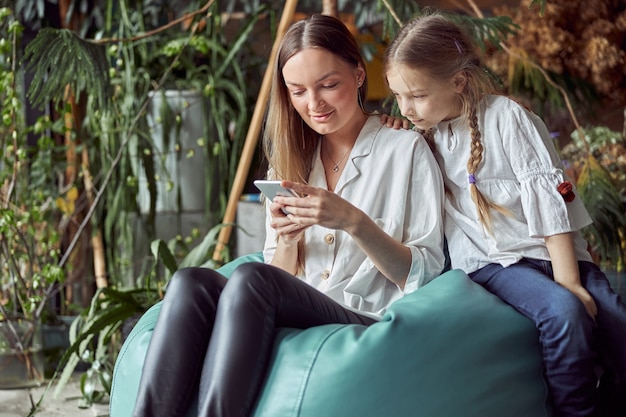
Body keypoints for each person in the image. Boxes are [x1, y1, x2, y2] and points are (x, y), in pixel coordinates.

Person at [131, 14, 445, 417]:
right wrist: (288, 239)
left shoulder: (404, 150)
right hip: (299, 301)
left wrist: (352, 221)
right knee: (190, 281)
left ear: (358, 74)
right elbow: (275, 275)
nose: (314, 105)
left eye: (329, 85)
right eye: (298, 91)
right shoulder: (290, 162)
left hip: (365, 313)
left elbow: (425, 272)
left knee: (250, 278)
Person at [382, 11, 626, 417]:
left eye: (417, 95)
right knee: (563, 314)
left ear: (458, 81)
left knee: (616, 323)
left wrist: (571, 279)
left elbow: (551, 199)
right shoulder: (423, 135)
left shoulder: (506, 117)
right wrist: (394, 120)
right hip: (494, 263)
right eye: (398, 96)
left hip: (554, 254)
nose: (405, 108)